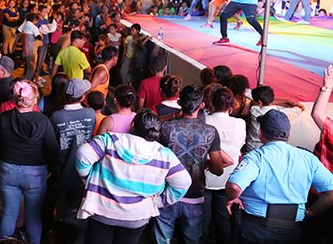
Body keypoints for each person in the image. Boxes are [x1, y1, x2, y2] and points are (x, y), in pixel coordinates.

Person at [75, 110, 191, 244]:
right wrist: (159, 202)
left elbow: (82, 155)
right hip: (137, 216)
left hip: (102, 210)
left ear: (132, 125)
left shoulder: (110, 140)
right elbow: (183, 182)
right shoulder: (165, 155)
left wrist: (88, 179)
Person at [226, 109, 333, 244]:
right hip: (292, 231)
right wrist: (311, 212)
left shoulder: (256, 157)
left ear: (260, 134)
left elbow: (234, 186)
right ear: (289, 135)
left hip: (256, 231)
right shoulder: (308, 158)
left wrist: (232, 198)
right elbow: (331, 192)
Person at [155, 85, 233, 244]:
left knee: (163, 240)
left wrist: (171, 116)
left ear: (179, 102)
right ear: (202, 105)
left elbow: (152, 124)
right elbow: (218, 170)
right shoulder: (210, 132)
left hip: (167, 192)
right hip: (194, 195)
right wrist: (204, 163)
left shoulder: (166, 127)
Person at [0, 79, 58, 244]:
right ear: (34, 100)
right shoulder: (43, 121)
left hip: (8, 170)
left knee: (9, 213)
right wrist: (50, 169)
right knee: (33, 216)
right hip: (35, 174)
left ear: (15, 98)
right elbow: (53, 150)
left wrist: (0, 162)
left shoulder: (3, 118)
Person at [48, 78, 95, 236]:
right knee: (75, 210)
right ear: (82, 97)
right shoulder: (90, 114)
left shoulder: (57, 116)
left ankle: (50, 231)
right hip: (81, 172)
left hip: (59, 170)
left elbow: (52, 143)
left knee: (52, 204)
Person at [202, 86, 245, 244]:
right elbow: (240, 145)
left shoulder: (204, 120)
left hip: (206, 173)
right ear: (231, 105)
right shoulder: (240, 124)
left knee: (203, 219)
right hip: (229, 177)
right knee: (223, 219)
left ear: (211, 103)